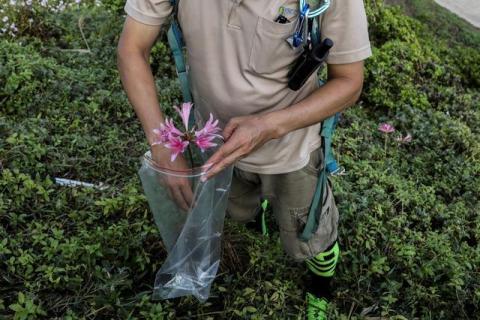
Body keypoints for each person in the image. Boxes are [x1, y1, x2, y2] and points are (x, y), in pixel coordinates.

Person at [117, 0, 371, 318]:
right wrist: (161, 144)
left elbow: (349, 82)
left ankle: (320, 288)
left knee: (310, 237)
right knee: (237, 212)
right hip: (215, 142)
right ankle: (260, 208)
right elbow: (132, 48)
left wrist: (269, 126)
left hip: (291, 149)